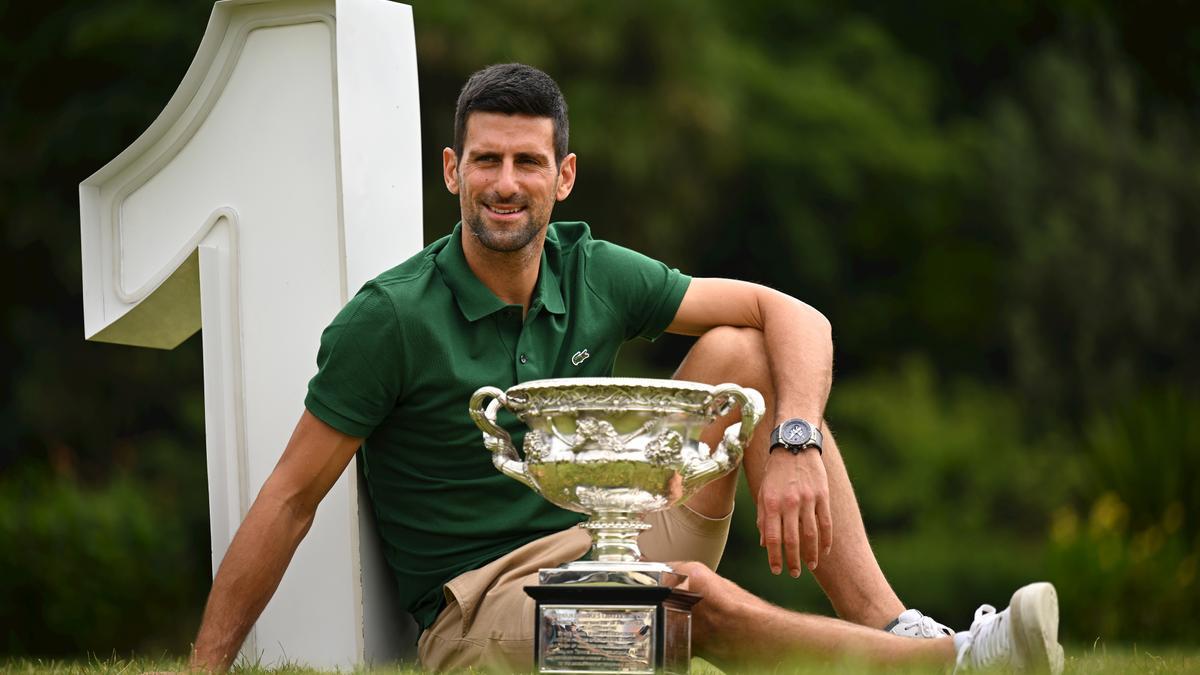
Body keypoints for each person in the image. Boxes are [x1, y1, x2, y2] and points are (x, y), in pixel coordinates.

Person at [188, 63, 1064, 673]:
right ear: (452, 171)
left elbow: (793, 314)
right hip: (486, 613)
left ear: (562, 176)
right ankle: (950, 662)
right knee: (687, 601)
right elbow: (290, 497)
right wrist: (201, 669)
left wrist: (794, 436)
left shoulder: (591, 267)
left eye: (528, 161)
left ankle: (894, 621)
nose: (505, 181)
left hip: (615, 529)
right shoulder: (390, 317)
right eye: (486, 159)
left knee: (744, 357)